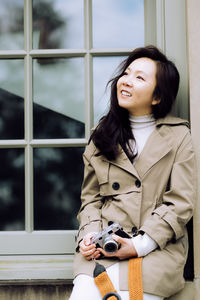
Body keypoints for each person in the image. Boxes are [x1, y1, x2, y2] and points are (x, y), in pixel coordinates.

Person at [69, 45, 196, 300]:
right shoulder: (102, 135)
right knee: (85, 292)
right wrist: (90, 236)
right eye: (126, 73)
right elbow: (91, 200)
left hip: (156, 250)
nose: (126, 81)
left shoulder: (179, 136)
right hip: (104, 250)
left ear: (157, 97)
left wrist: (139, 245)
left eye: (139, 77)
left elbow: (181, 202)